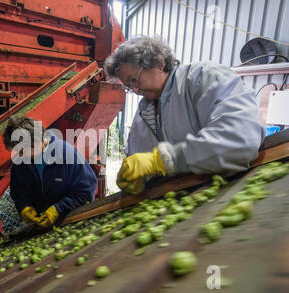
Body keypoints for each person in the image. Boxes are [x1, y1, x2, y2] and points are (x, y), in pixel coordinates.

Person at [103, 36, 266, 194]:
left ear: (159, 64)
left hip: (227, 190)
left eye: (134, 80)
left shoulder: (204, 78)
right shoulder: (144, 112)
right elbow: (138, 159)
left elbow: (240, 141)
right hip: (178, 200)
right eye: (128, 87)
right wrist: (133, 179)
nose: (135, 90)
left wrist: (164, 160)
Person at [3, 116, 98, 228]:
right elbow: (17, 191)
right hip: (42, 227)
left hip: (71, 222)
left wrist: (58, 209)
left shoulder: (67, 155)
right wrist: (24, 207)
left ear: (38, 142)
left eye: (22, 150)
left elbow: (85, 191)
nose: (19, 155)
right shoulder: (21, 162)